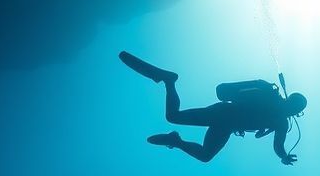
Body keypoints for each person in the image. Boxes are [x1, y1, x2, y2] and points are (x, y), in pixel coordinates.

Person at [120, 51, 306, 165]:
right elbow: (278, 146)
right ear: (293, 106)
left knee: (204, 155)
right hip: (224, 115)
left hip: (225, 122)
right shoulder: (276, 110)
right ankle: (169, 82)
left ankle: (175, 138)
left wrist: (283, 156)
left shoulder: (279, 119)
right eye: (294, 107)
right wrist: (282, 156)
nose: (292, 111)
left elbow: (278, 146)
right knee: (174, 118)